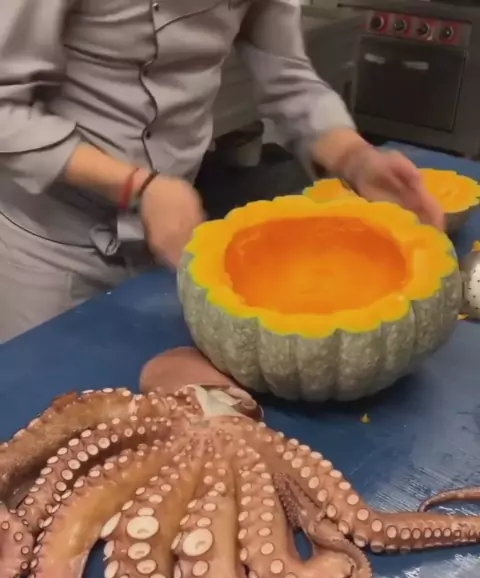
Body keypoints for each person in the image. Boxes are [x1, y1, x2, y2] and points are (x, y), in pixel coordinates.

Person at [0, 0, 444, 343]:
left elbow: (286, 73)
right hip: (54, 251)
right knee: (47, 411)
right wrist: (136, 186)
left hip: (169, 238)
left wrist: (354, 157)